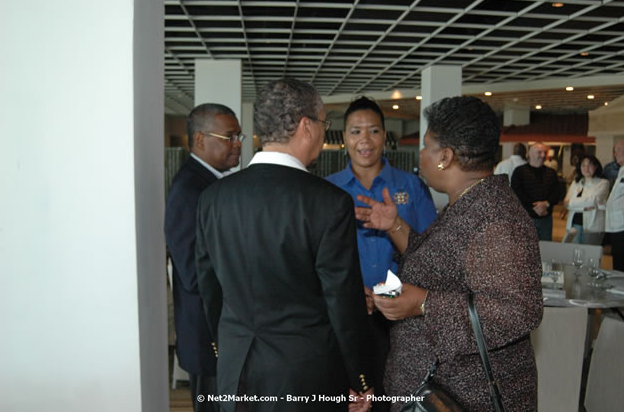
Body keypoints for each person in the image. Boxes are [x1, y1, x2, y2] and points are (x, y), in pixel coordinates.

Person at [195, 78, 373, 412]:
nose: (323, 133)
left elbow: (209, 288)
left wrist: (228, 346)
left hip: (235, 369)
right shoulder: (329, 202)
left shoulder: (213, 199)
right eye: (324, 124)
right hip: (305, 374)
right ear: (307, 126)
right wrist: (359, 377)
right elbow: (342, 302)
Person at [355, 96, 543, 412]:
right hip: (440, 391)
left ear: (445, 156)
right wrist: (396, 226)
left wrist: (424, 303)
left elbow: (519, 312)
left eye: (427, 146)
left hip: (466, 397)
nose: (421, 154)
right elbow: (441, 266)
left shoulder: (496, 218)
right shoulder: (469, 203)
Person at [325, 96, 437, 412]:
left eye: (373, 131)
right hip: (348, 316)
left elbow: (431, 253)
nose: (365, 140)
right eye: (355, 131)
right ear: (344, 138)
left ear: (385, 136)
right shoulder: (328, 191)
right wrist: (346, 291)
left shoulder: (411, 187)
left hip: (403, 316)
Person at [164, 103, 244, 412]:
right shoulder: (190, 189)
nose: (238, 143)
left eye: (239, 135)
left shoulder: (212, 183)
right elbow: (193, 273)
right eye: (229, 136)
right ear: (200, 140)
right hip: (208, 336)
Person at [511, 142, 560, 240]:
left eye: (544, 153)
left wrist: (546, 204)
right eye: (539, 152)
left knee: (545, 249)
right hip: (525, 218)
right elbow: (516, 194)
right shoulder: (519, 172)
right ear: (529, 154)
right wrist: (534, 207)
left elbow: (557, 193)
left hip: (546, 219)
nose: (543, 155)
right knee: (526, 249)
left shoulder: (551, 173)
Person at [563, 155, 609, 245]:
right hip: (574, 225)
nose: (586, 168)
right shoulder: (576, 183)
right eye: (583, 165)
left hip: (593, 227)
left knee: (590, 255)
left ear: (596, 166)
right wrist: (584, 208)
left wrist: (572, 203)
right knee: (574, 255)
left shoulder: (603, 183)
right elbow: (565, 203)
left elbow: (593, 201)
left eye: (589, 165)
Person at [606, 139, 624, 271]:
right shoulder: (621, 170)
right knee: (617, 260)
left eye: (618, 150)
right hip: (616, 225)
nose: (615, 154)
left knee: (621, 264)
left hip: (622, 226)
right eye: (615, 151)